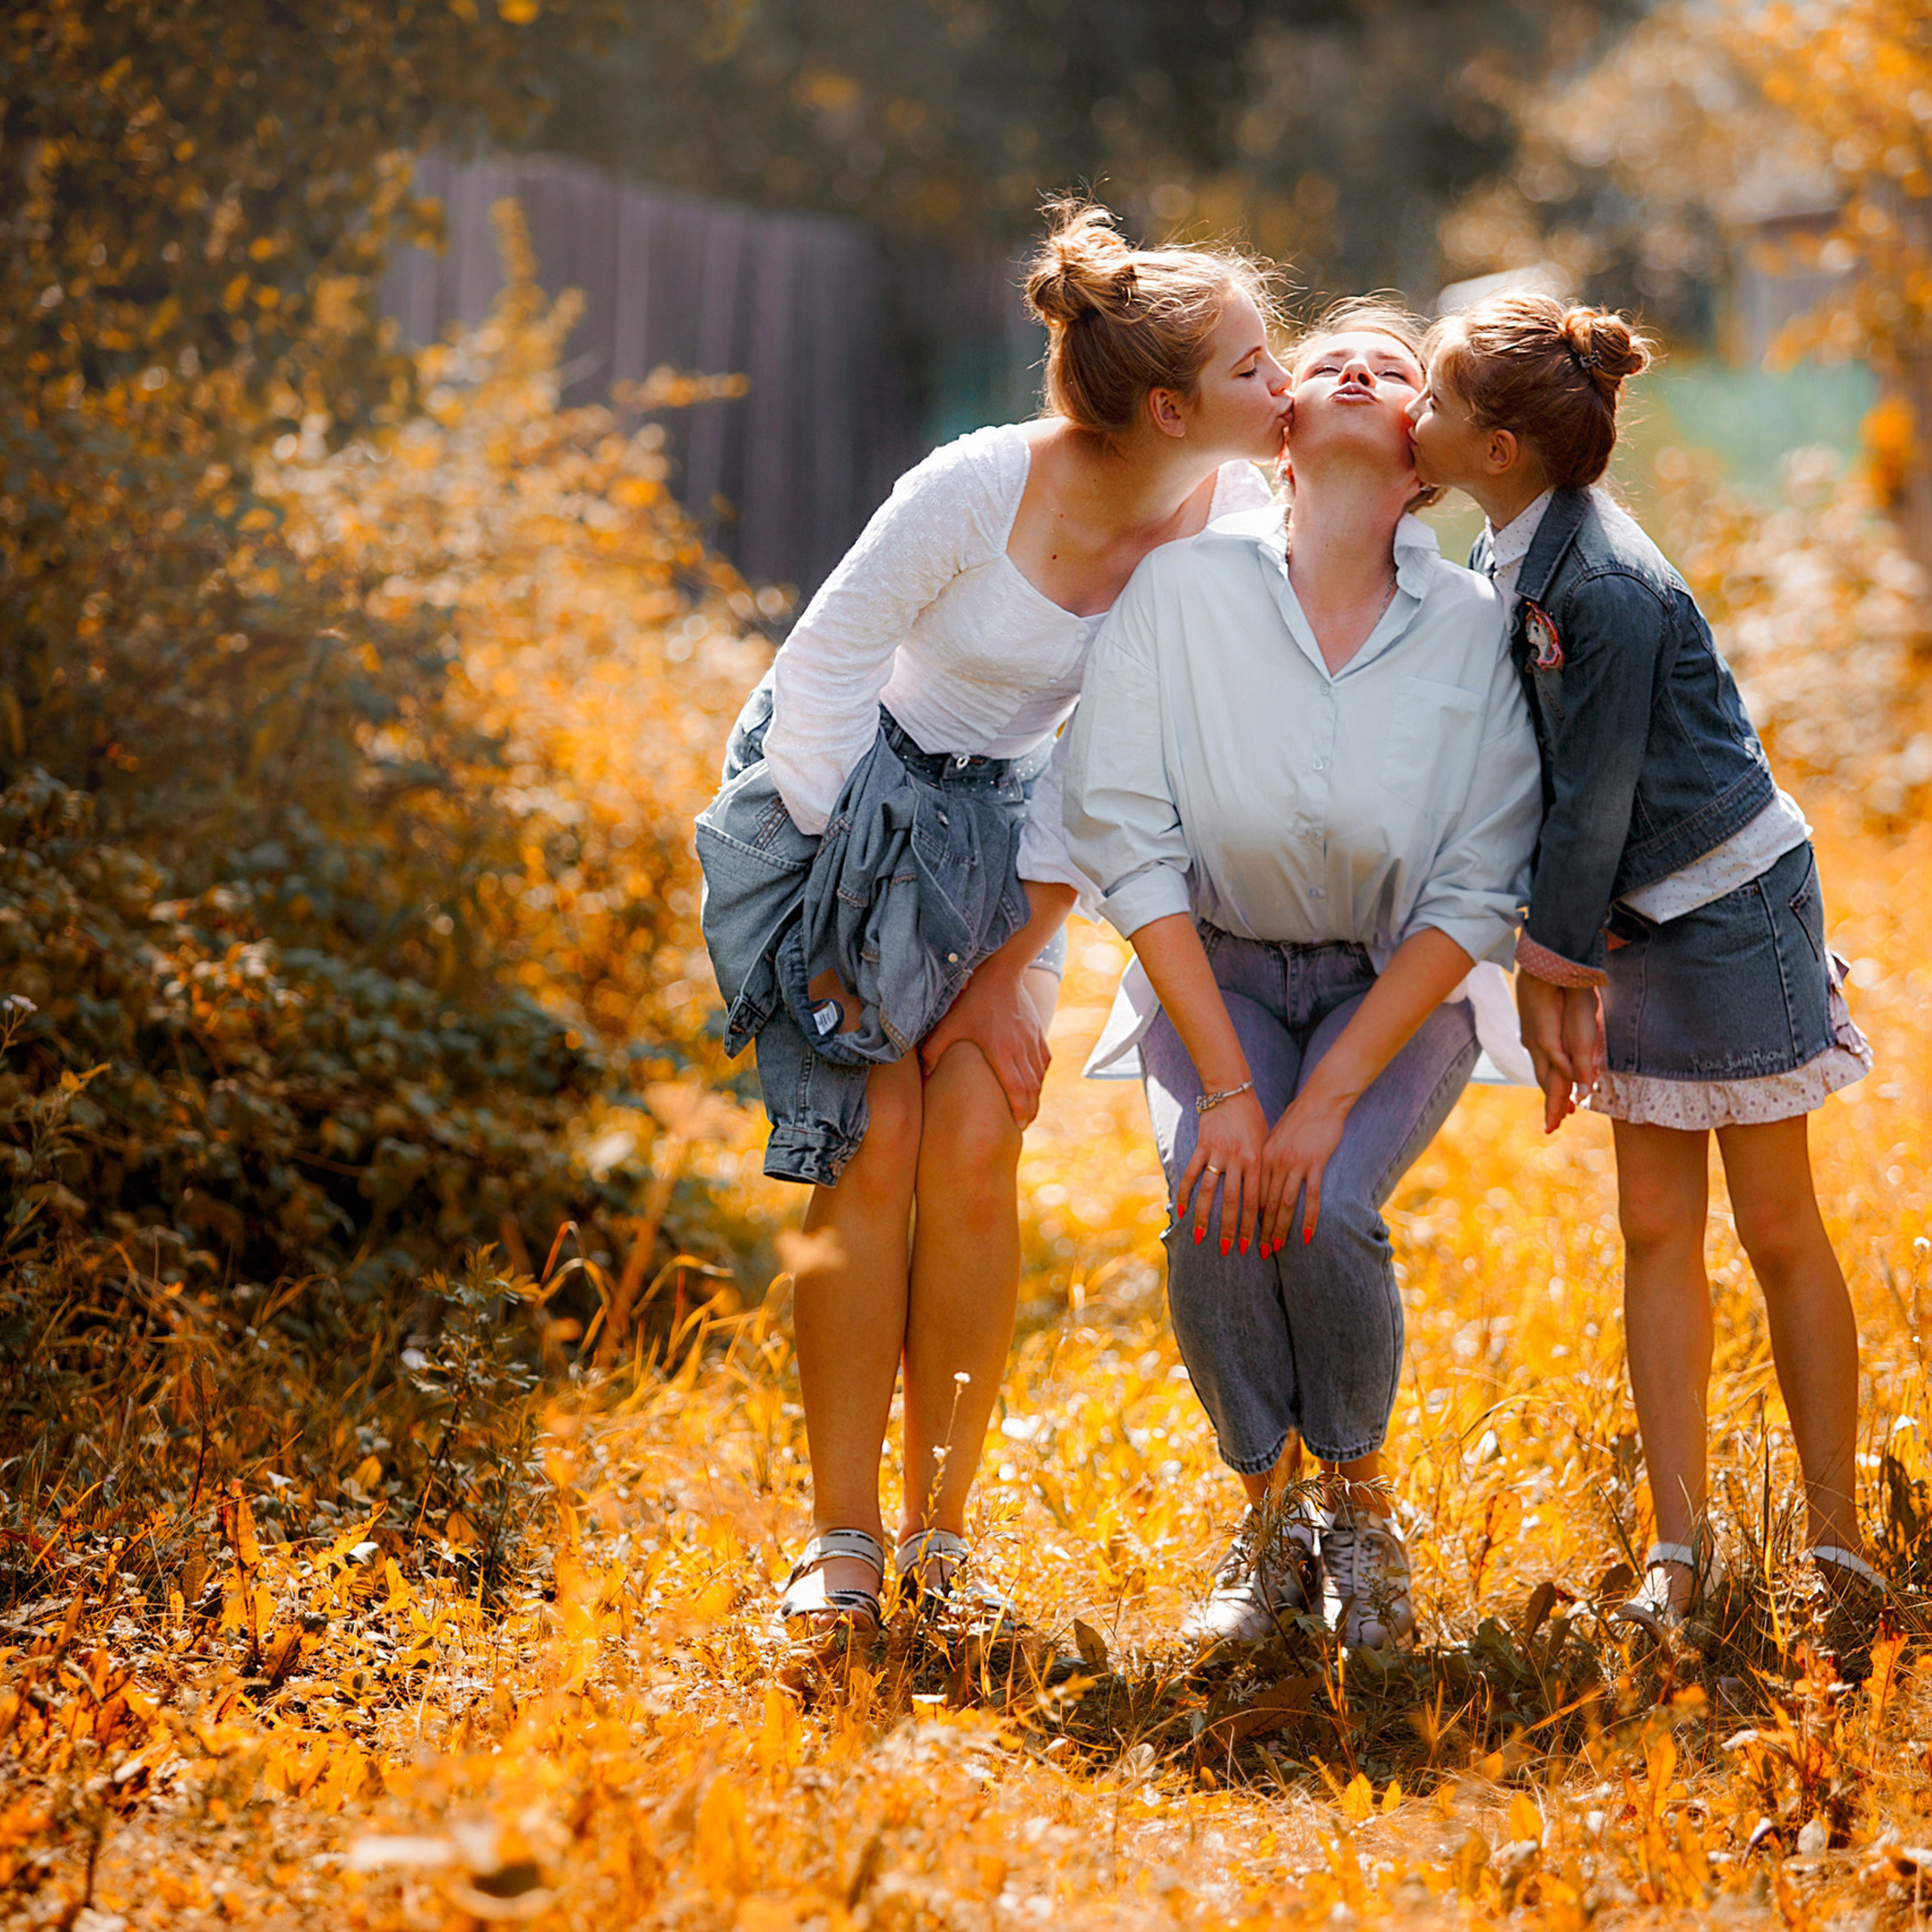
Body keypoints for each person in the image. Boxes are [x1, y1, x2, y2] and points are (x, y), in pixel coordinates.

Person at [696, 201, 1291, 1638]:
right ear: (1170, 405)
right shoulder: (976, 486)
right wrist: (863, 942)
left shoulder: (1232, 527)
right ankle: (840, 1543)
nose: (1283, 386)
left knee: (976, 1137)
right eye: (1256, 368)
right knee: (876, 1137)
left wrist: (993, 971)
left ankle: (942, 1541)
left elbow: (1109, 769)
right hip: (843, 800)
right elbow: (824, 676)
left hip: (1012, 842)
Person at [1062, 303, 1542, 1651]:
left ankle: (1362, 1506)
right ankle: (1267, 1518)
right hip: (1210, 968)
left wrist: (1323, 1094)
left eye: (1393, 369)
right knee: (1218, 1196)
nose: (1349, 369)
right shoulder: (1182, 591)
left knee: (1321, 1204)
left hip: (1397, 986)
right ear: (1283, 432)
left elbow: (1474, 890)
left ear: (1426, 453)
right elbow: (1124, 836)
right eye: (1328, 355)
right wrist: (1227, 1082)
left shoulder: (1474, 631)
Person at [1407, 291, 1878, 1648]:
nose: (1413, 422)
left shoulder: (1597, 586)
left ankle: (1838, 1539)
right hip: (1632, 918)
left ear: (1499, 447)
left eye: (1433, 404)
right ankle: (1682, 1543)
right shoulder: (1514, 548)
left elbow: (1593, 799)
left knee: (1777, 1223)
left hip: (1727, 908)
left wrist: (1553, 976)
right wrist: (1561, 964)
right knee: (1655, 1230)